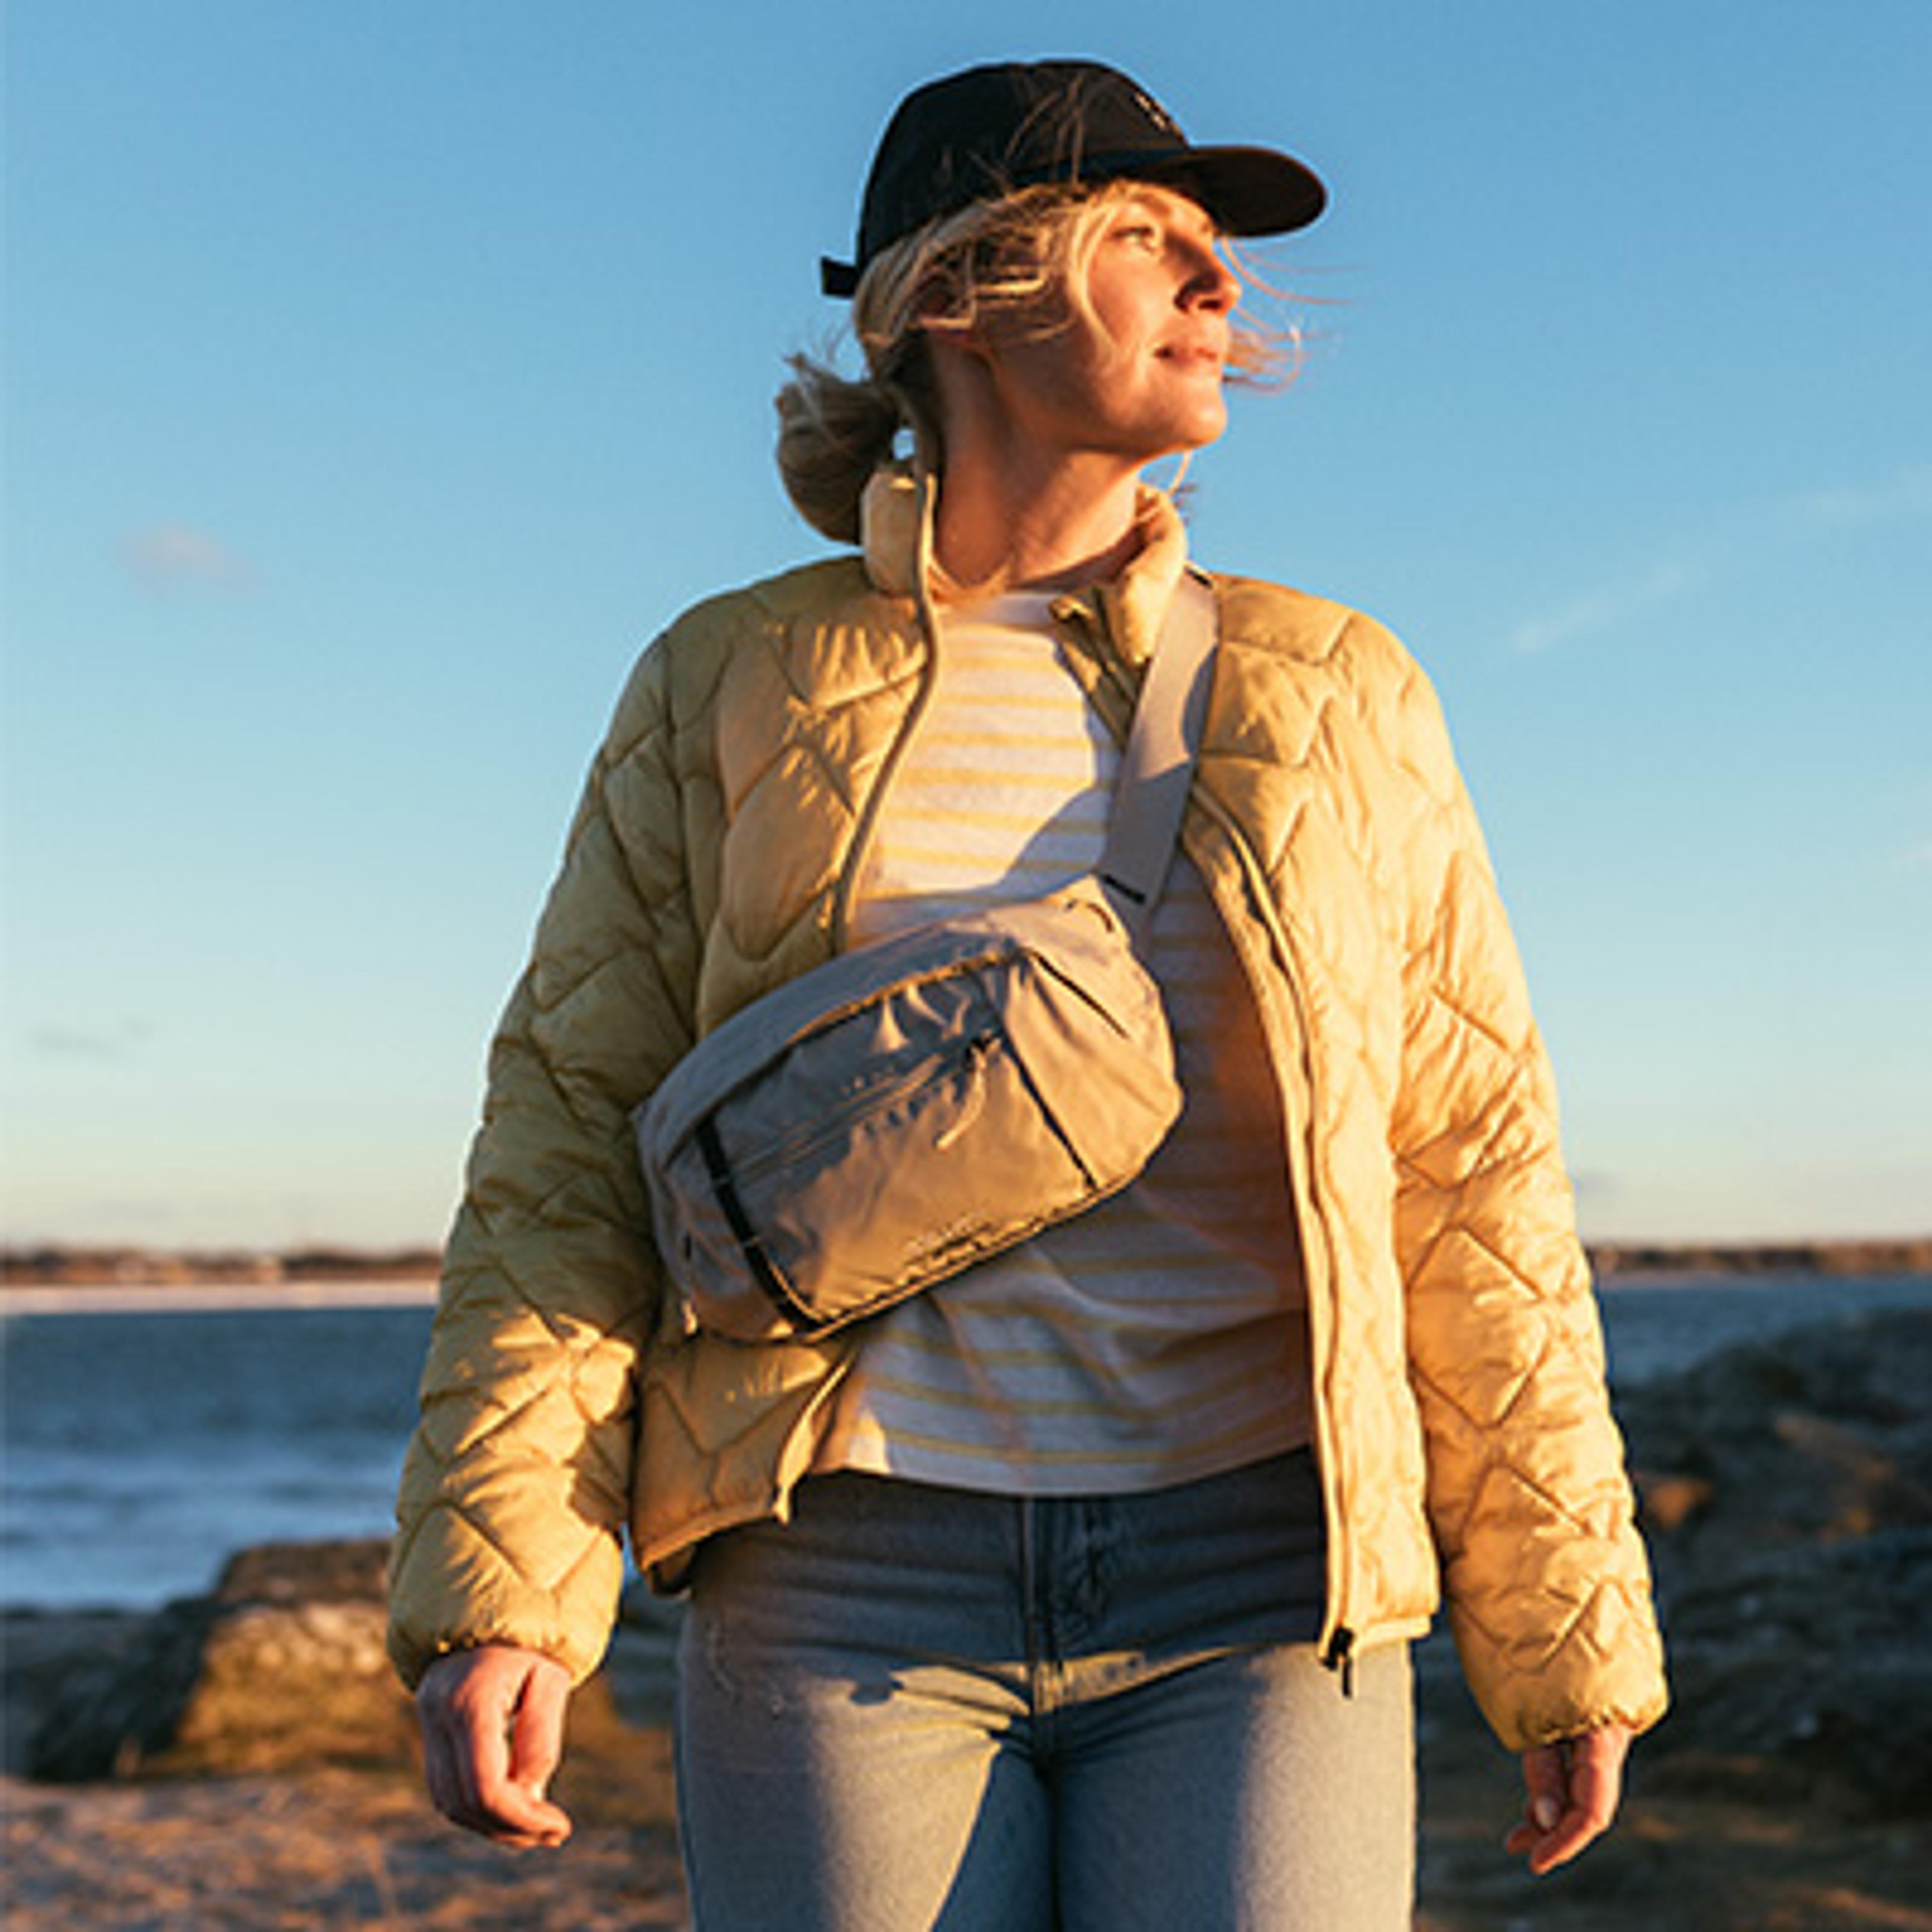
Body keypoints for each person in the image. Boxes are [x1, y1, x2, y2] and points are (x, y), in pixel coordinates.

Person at [387, 59, 1668, 1929]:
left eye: (1216, 251)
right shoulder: (732, 678)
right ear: (960, 293)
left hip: (1261, 1586)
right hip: (837, 1585)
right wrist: (509, 1594)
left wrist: (1566, 1628)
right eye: (1148, 238)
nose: (1218, 287)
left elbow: (1472, 1166)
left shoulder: (1336, 690)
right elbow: (570, 1139)